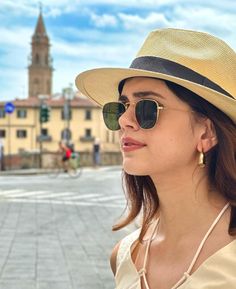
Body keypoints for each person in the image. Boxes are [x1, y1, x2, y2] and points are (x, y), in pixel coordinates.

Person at [75, 28, 236, 289]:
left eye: (147, 107)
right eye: (120, 108)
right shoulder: (125, 256)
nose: (124, 121)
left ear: (206, 132)